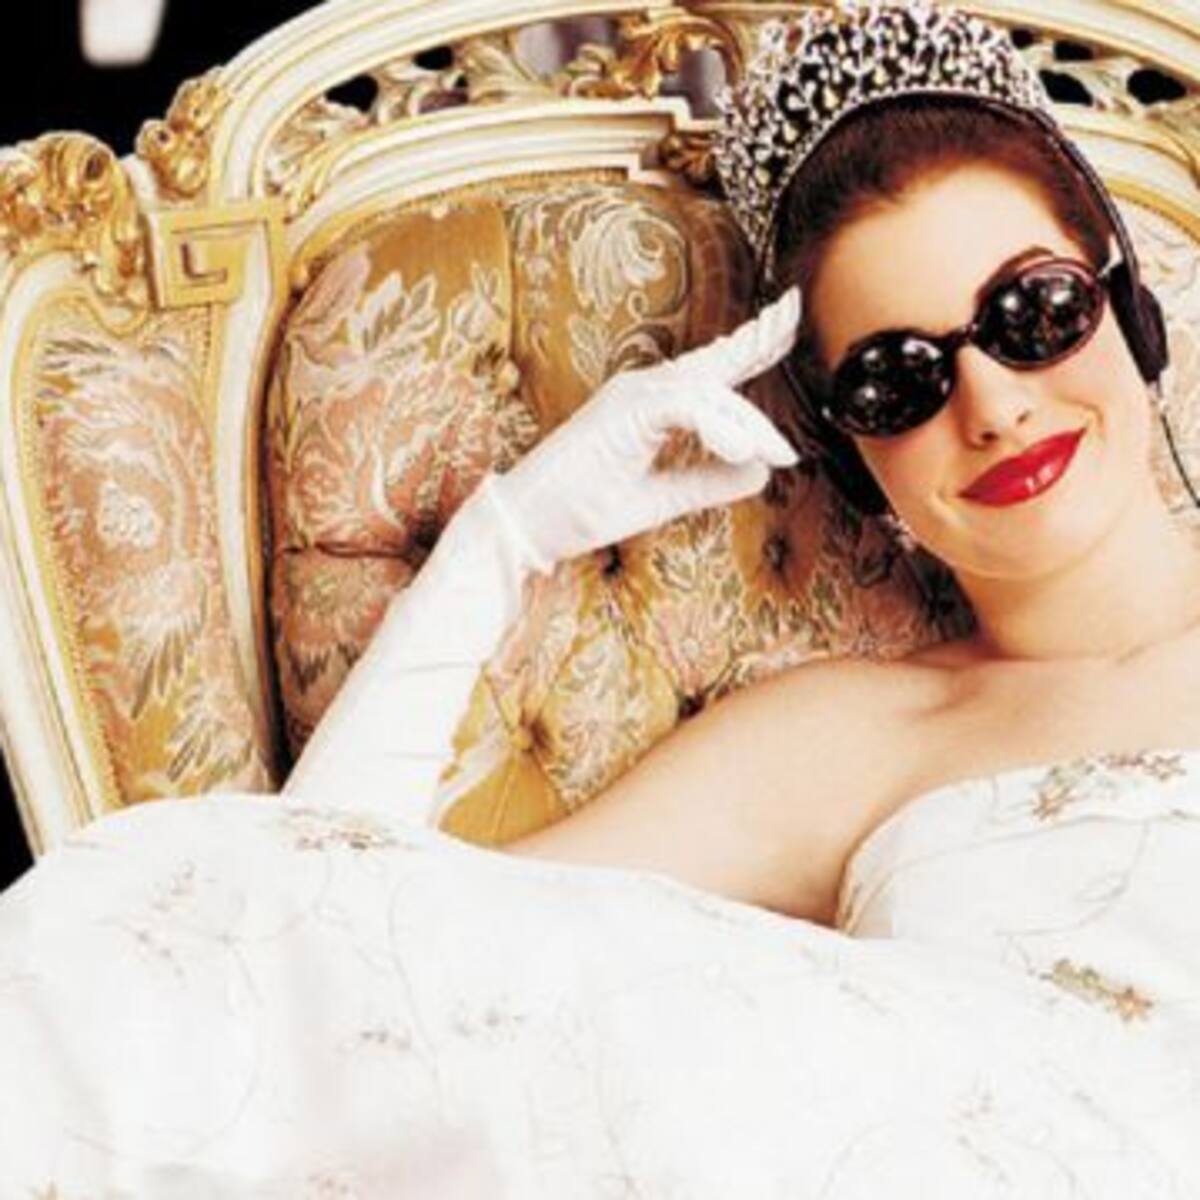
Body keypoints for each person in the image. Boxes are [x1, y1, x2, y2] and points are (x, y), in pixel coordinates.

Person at [2, 3, 1200, 1194]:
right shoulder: (848, 744)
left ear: (1130, 306)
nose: (993, 406)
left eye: (1037, 314)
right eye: (900, 380)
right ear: (853, 460)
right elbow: (321, 946)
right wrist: (506, 541)